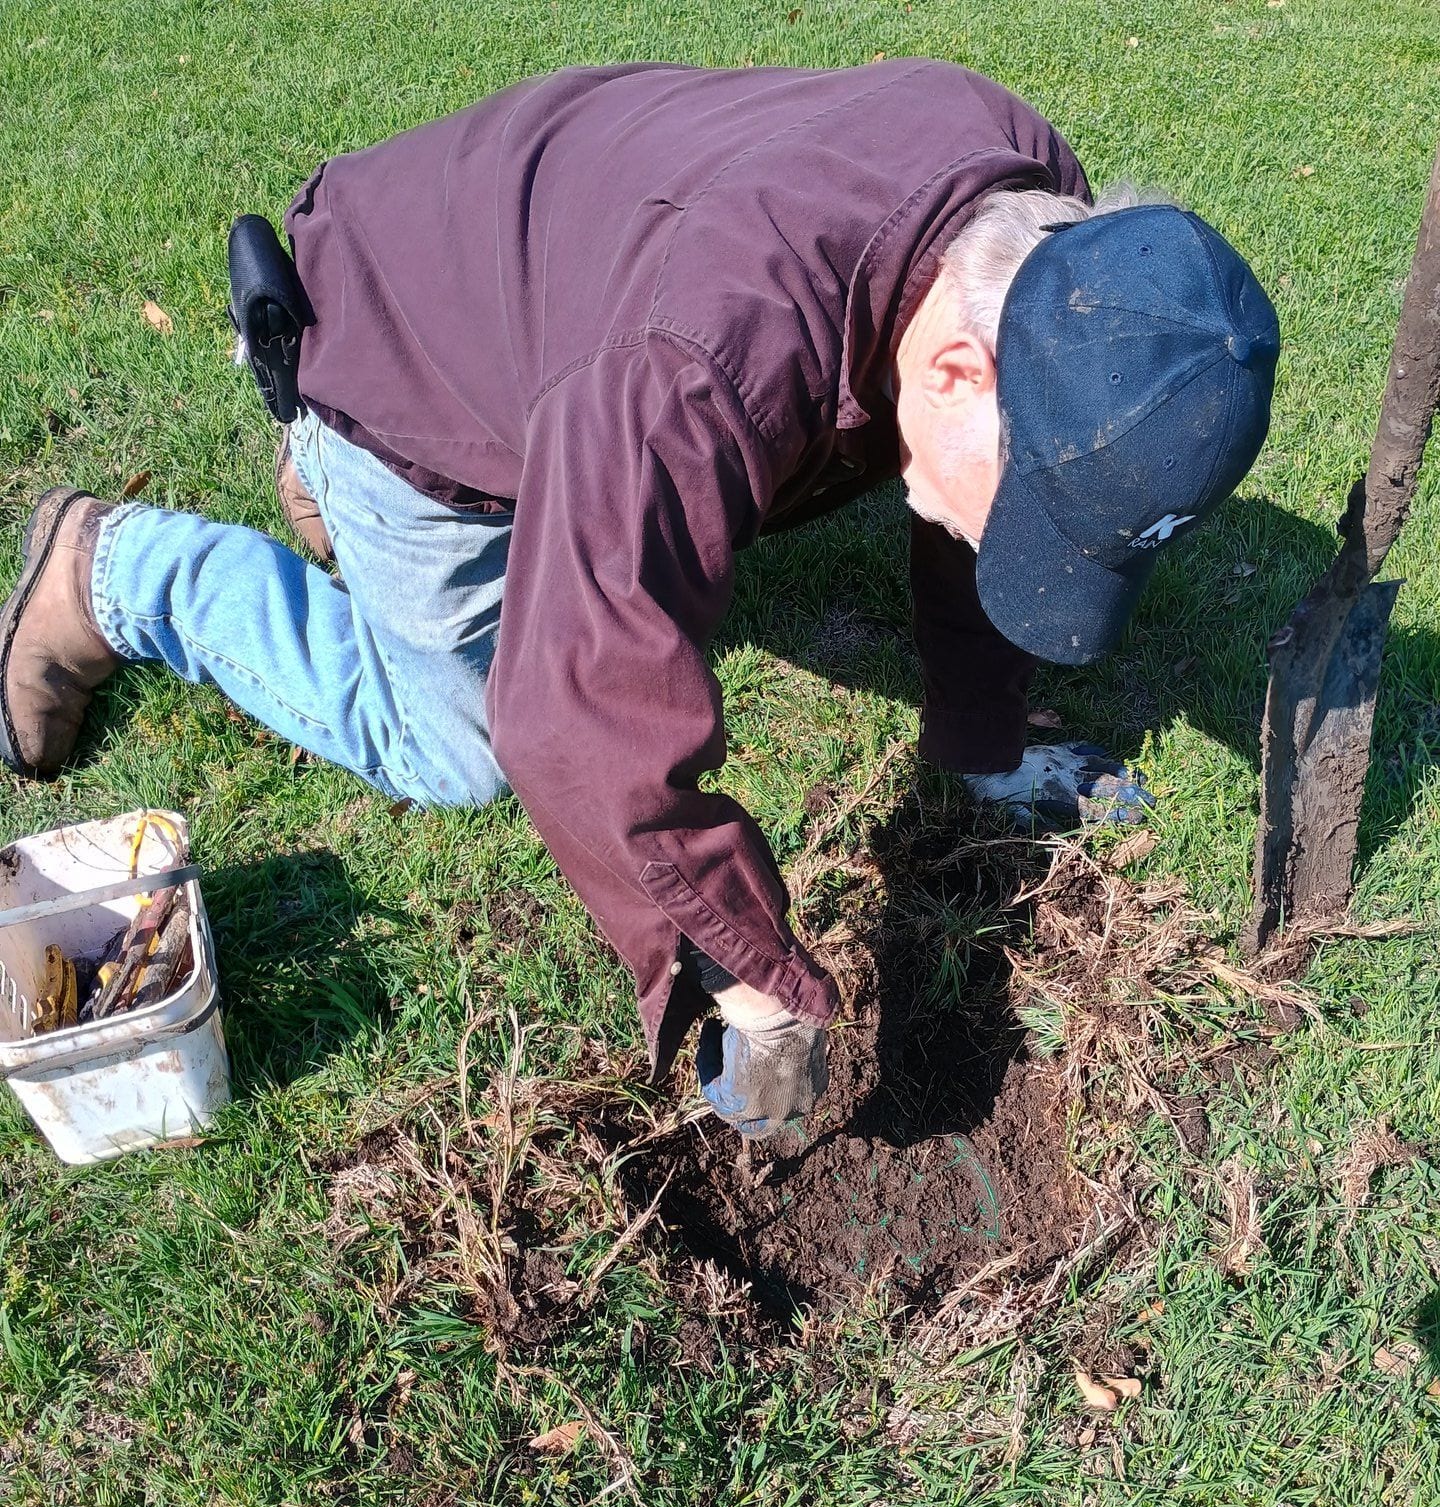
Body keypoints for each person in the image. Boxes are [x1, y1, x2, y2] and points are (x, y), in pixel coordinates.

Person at [0, 60, 1279, 1137]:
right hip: (413, 315)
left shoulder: (1027, 221)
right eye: (1031, 516)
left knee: (710, 494)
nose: (1023, 544)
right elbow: (575, 715)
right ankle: (126, 568)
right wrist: (754, 977)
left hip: (550, 261)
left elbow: (970, 497)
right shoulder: (687, 376)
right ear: (956, 365)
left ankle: (341, 473)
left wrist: (987, 745)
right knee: (455, 743)